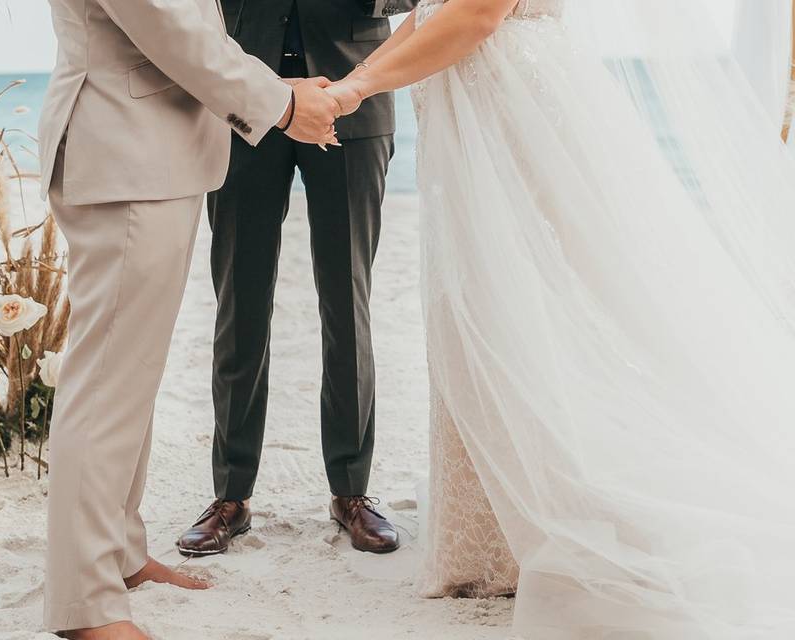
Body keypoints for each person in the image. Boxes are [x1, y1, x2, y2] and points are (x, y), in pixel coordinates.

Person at [327, 0, 795, 636]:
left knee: (519, 308)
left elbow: (475, 16)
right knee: (473, 309)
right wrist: (353, 85)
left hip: (517, 103)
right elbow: (435, 11)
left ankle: (545, 513)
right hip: (473, 107)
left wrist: (358, 85)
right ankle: (489, 535)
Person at [38, 0, 340, 638]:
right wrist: (283, 107)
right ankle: (84, 605)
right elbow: (165, 25)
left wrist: (274, 89)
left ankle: (116, 554)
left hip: (145, 151)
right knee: (106, 388)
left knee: (128, 380)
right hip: (125, 152)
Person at [178, 0, 416, 560]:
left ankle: (351, 492)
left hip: (352, 91)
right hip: (243, 96)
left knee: (347, 300)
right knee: (239, 298)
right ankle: (230, 497)